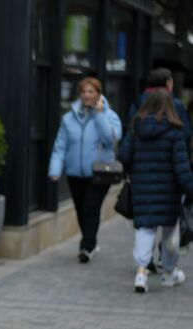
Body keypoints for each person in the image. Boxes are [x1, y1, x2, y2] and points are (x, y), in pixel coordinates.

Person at [118, 89, 193, 293]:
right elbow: (182, 167)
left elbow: (124, 156)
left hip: (142, 189)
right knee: (170, 231)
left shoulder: (136, 129)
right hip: (169, 191)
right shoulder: (175, 132)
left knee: (144, 229)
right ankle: (169, 273)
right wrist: (190, 188)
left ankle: (141, 272)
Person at [48, 77, 123, 263]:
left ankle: (86, 247)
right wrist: (55, 169)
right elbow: (60, 145)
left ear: (98, 93)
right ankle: (91, 242)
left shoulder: (109, 115)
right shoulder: (68, 118)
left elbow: (111, 139)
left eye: (90, 92)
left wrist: (98, 115)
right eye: (83, 92)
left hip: (99, 173)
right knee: (81, 209)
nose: (86, 95)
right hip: (75, 173)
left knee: (91, 207)